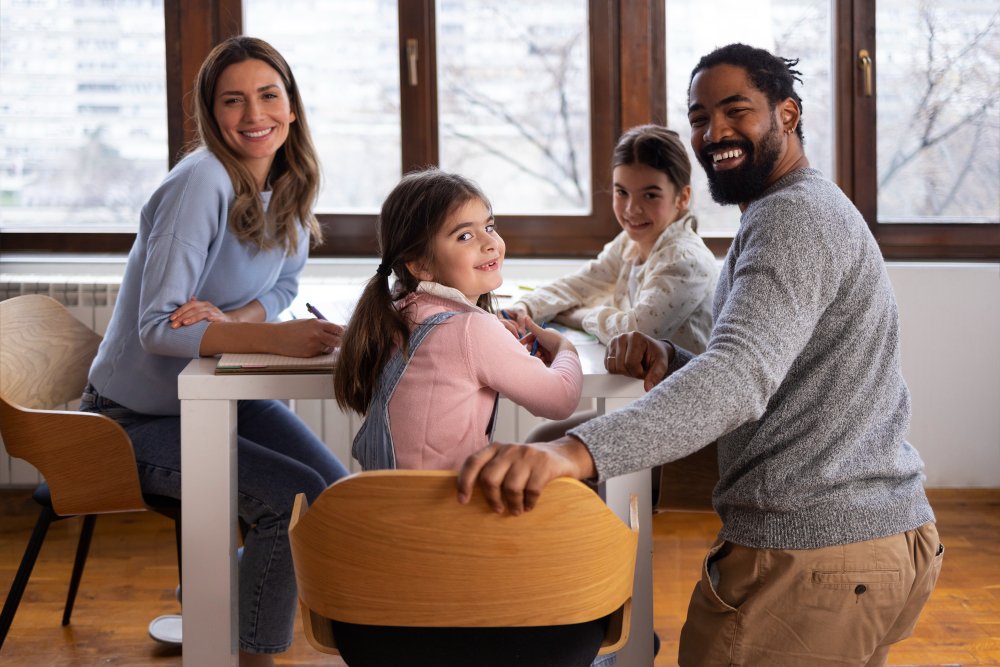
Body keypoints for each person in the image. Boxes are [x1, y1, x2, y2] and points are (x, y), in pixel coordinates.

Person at [457, 43, 942, 666]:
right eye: (700, 116)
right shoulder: (790, 210)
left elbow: (738, 380)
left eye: (735, 110)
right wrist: (672, 359)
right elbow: (779, 376)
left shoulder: (791, 219)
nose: (714, 131)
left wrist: (570, 453)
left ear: (787, 116)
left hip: (818, 555)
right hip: (874, 537)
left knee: (569, 446)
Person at [80, 36, 347, 666]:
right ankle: (248, 653)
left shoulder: (288, 180)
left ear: (292, 105)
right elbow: (158, 330)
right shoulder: (200, 182)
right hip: (133, 419)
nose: (254, 115)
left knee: (332, 495)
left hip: (218, 396)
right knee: (288, 501)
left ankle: (210, 600)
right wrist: (268, 337)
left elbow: (283, 284)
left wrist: (231, 319)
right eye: (233, 101)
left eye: (268, 95)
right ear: (211, 113)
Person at [334, 168, 584, 471]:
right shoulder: (470, 330)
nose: (489, 243)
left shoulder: (397, 311)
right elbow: (560, 401)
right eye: (465, 235)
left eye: (489, 227)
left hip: (385, 507)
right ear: (420, 265)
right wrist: (564, 348)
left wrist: (492, 335)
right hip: (446, 511)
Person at [505, 124, 717, 351]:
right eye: (621, 192)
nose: (632, 209)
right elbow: (581, 284)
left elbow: (636, 332)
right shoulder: (630, 242)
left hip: (684, 383)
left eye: (650, 195)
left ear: (682, 197)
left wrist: (579, 316)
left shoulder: (685, 260)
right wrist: (525, 307)